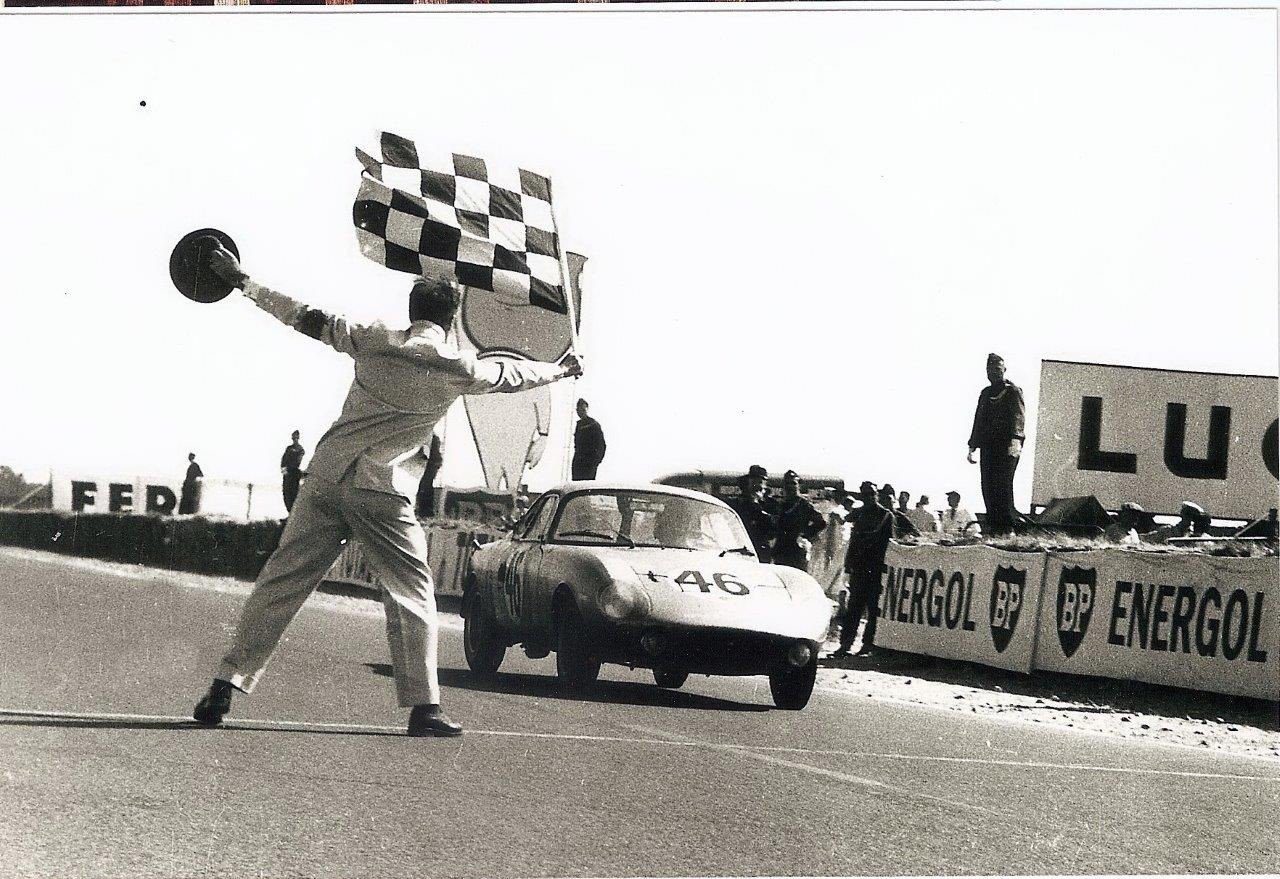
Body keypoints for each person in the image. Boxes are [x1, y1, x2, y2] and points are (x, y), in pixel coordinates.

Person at [192, 245, 582, 738]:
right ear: (452, 318)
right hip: (383, 489)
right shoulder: (459, 367)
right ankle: (424, 707)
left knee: (280, 584)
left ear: (412, 311)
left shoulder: (370, 338)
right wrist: (562, 368)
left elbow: (299, 313)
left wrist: (243, 280)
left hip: (326, 478)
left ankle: (224, 685)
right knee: (411, 594)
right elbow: (514, 375)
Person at [832, 481, 895, 658]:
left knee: (873, 609)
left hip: (876, 567)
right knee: (854, 608)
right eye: (866, 494)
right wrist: (848, 564)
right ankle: (845, 644)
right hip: (859, 567)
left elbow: (891, 543)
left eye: (872, 494)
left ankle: (867, 644)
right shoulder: (858, 513)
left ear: (877, 495)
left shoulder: (885, 515)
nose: (869, 497)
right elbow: (852, 539)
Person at [967, 353, 1025, 535]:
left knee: (1003, 485)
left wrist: (1016, 440)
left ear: (1004, 370)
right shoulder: (985, 393)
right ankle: (994, 526)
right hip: (988, 447)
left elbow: (1018, 416)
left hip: (1006, 447)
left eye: (997, 369)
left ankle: (1007, 527)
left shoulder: (1012, 391)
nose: (993, 373)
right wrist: (972, 445)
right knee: (987, 485)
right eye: (990, 369)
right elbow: (979, 419)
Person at [771, 470, 827, 571]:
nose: (790, 486)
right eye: (787, 483)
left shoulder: (803, 504)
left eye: (793, 483)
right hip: (781, 549)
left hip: (797, 550)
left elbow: (821, 523)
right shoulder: (781, 505)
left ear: (798, 485)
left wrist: (805, 534)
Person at [730, 464, 777, 562]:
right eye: (753, 481)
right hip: (740, 546)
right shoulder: (739, 502)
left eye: (759, 482)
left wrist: (757, 506)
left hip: (761, 547)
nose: (756, 485)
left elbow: (773, 528)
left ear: (764, 484)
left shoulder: (770, 504)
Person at [571, 399, 606, 480]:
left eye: (583, 410)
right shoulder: (579, 425)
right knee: (577, 484)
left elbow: (601, 445)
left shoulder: (593, 425)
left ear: (586, 409)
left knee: (586, 483)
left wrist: (595, 461)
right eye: (579, 410)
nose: (581, 412)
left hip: (589, 462)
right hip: (578, 462)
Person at [414, 432, 444, 518]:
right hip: (429, 465)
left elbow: (426, 454)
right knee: (426, 488)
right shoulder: (429, 436)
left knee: (425, 488)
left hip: (428, 465)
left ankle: (424, 512)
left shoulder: (428, 436)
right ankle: (424, 512)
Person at [280, 430, 306, 513]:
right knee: (286, 493)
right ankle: (290, 512)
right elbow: (284, 460)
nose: (294, 439)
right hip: (288, 473)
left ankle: (293, 512)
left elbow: (298, 461)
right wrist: (284, 470)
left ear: (298, 437)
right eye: (293, 437)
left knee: (294, 492)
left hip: (294, 473)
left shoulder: (300, 449)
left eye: (296, 437)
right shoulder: (289, 448)